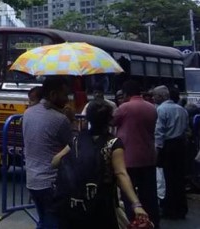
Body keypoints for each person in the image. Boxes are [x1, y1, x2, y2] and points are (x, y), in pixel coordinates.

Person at [52, 100, 149, 228]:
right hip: (102, 205)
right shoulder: (113, 143)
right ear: (109, 120)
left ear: (88, 118)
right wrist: (136, 205)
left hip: (76, 206)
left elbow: (55, 161)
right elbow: (121, 174)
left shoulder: (77, 140)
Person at [22, 76, 72, 229]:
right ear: (52, 95)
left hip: (32, 180)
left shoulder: (28, 113)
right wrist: (72, 121)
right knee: (53, 222)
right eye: (64, 95)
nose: (67, 99)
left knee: (43, 221)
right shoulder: (60, 119)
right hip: (51, 182)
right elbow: (72, 145)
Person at [112, 80, 161, 227]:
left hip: (128, 158)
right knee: (149, 195)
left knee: (129, 196)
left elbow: (111, 121)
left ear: (126, 94)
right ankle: (152, 223)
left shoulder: (124, 107)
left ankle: (134, 222)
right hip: (148, 156)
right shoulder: (151, 107)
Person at [153, 85, 189, 220]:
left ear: (162, 96)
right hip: (180, 145)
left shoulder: (161, 110)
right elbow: (186, 128)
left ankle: (169, 209)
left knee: (167, 178)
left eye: (155, 95)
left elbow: (159, 132)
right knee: (179, 177)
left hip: (168, 146)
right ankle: (181, 208)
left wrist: (157, 150)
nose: (153, 98)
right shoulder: (181, 109)